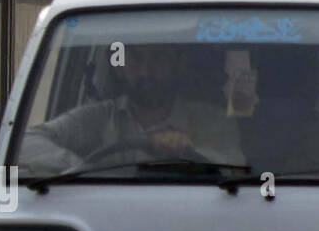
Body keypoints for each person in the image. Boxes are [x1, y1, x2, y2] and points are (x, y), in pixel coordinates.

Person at [19, 43, 244, 171]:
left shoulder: (212, 120)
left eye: (158, 58)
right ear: (119, 68)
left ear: (179, 63)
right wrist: (84, 169)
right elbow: (26, 143)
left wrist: (190, 151)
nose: (145, 71)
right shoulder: (99, 117)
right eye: (134, 59)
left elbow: (236, 170)